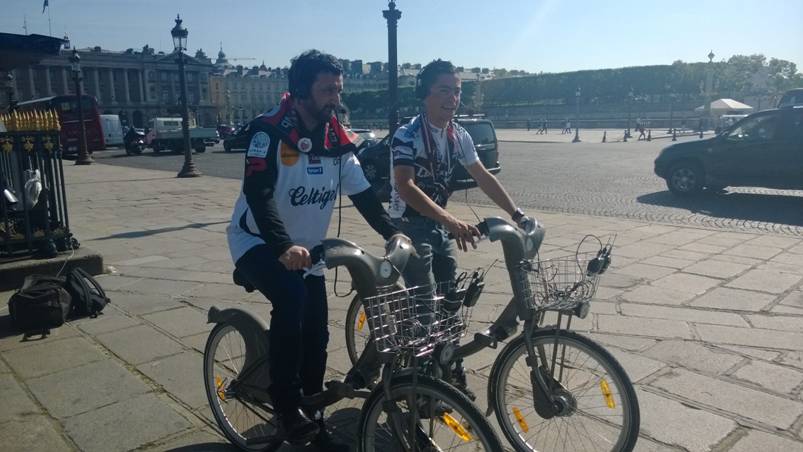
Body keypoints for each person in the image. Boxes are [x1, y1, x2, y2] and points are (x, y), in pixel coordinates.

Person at [226, 50, 401, 449]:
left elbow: (364, 195)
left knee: (318, 334)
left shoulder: (335, 139)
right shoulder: (267, 132)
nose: (335, 98)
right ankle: (286, 406)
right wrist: (283, 245)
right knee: (291, 298)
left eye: (337, 89)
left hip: (308, 252)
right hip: (257, 241)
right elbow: (259, 193)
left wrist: (391, 233)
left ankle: (311, 411)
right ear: (300, 92)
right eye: (326, 90)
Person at [388, 59, 533, 398]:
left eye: (457, 92)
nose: (452, 99)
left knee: (451, 299)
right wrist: (451, 222)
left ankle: (449, 368)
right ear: (425, 95)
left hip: (437, 222)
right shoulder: (407, 135)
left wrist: (517, 214)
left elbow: (484, 176)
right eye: (444, 91)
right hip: (409, 224)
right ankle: (414, 379)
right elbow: (406, 186)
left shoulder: (458, 134)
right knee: (425, 301)